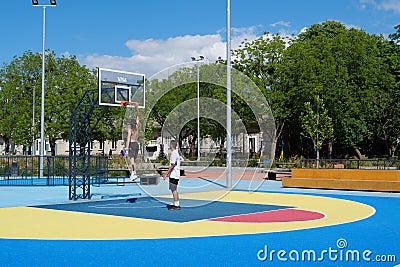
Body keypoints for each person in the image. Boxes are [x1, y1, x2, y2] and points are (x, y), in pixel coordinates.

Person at [163, 140, 181, 210]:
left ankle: (177, 205)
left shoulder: (174, 153)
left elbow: (172, 165)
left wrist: (166, 174)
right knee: (173, 189)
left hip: (174, 174)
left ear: (171, 145)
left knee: (173, 189)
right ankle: (176, 203)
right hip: (175, 174)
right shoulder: (176, 153)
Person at [125, 104, 140, 181]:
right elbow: (138, 116)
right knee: (134, 160)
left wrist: (127, 148)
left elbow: (128, 138)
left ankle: (133, 173)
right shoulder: (137, 128)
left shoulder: (130, 129)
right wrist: (136, 108)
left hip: (132, 144)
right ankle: (134, 173)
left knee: (132, 160)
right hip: (137, 144)